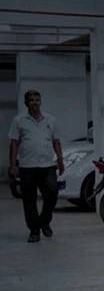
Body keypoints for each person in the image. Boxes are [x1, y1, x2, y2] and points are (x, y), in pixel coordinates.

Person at [8, 90, 64, 243]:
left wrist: (60, 160)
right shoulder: (19, 121)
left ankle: (44, 221)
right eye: (31, 100)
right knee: (29, 201)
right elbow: (14, 144)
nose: (34, 102)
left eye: (37, 100)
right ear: (26, 103)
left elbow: (56, 141)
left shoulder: (50, 120)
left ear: (41, 102)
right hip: (27, 167)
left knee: (52, 194)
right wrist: (13, 166)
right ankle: (34, 231)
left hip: (47, 167)